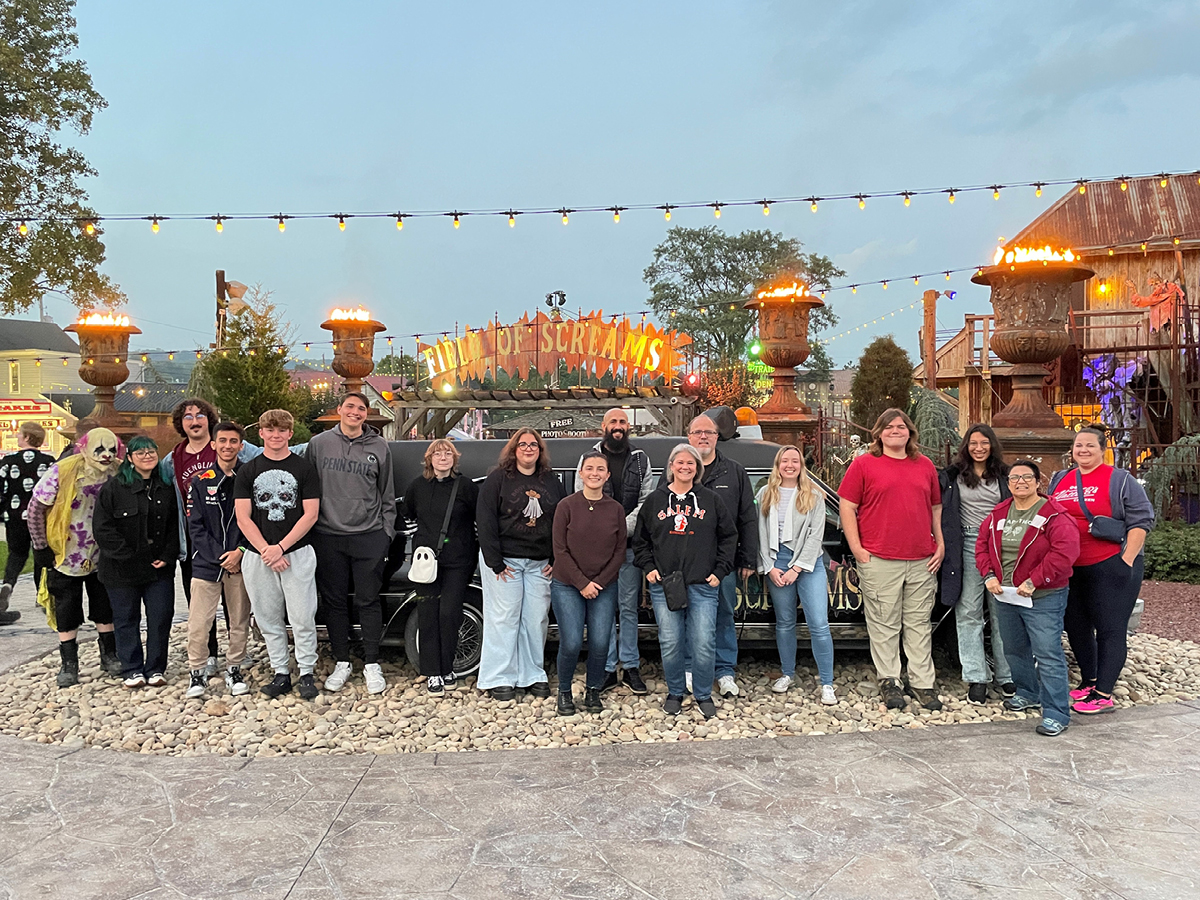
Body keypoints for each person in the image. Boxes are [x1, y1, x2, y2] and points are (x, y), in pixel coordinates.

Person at [838, 409, 945, 712]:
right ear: (879, 433)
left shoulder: (924, 466)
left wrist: (940, 543)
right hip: (880, 558)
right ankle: (890, 681)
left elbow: (935, 508)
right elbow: (847, 507)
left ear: (910, 432)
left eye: (901, 427)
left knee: (918, 624)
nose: (895, 431)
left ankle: (923, 683)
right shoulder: (864, 465)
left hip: (922, 558)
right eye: (889, 427)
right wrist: (858, 549)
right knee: (884, 625)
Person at [1049, 427, 1154, 715]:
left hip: (1111, 563)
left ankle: (1103, 693)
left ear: (1102, 449)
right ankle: (1090, 679)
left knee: (1110, 628)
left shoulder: (1120, 480)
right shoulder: (1061, 479)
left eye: (1089, 446)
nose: (1083, 450)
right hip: (1071, 566)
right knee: (1077, 625)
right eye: (1078, 446)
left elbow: (1141, 520)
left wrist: (1127, 560)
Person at [977, 460, 1080, 736]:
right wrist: (988, 575)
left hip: (1043, 596)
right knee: (1013, 648)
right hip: (1007, 595)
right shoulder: (998, 514)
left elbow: (1064, 553)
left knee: (1047, 653)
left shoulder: (1054, 515)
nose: (1020, 482)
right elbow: (982, 546)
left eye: (1026, 477)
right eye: (1014, 478)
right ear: (1008, 484)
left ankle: (1057, 713)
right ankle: (1027, 692)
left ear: (1038, 482)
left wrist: (1034, 581)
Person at [161, 397, 262, 676]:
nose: (194, 420)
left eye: (200, 414)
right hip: (197, 545)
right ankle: (209, 656)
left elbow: (271, 451)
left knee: (236, 608)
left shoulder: (233, 445)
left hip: (238, 544)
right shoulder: (173, 459)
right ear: (181, 424)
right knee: (201, 611)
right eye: (188, 416)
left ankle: (236, 659)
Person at [635, 443, 737, 719]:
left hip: (703, 583)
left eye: (690, 463)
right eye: (679, 462)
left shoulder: (711, 500)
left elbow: (729, 536)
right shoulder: (655, 501)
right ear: (671, 467)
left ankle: (703, 693)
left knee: (703, 641)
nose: (685, 467)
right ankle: (676, 691)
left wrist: (721, 569)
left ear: (698, 468)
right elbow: (641, 540)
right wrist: (648, 567)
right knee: (670, 641)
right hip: (665, 585)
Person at [307, 392, 396, 695]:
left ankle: (372, 662)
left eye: (361, 408)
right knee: (335, 601)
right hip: (328, 535)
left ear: (366, 415)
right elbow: (307, 487)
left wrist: (386, 532)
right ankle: (342, 660)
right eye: (350, 407)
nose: (355, 412)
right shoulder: (319, 445)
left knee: (368, 600)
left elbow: (386, 493)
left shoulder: (379, 447)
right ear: (339, 410)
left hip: (369, 535)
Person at [234, 409, 322, 700]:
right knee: (268, 618)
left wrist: (281, 547)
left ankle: (307, 671)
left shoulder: (304, 469)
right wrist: (266, 550)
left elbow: (310, 514)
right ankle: (280, 671)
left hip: (296, 552)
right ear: (261, 433)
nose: (275, 435)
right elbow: (243, 517)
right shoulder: (247, 470)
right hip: (259, 555)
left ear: (289, 433)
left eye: (281, 430)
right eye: (270, 430)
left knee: (302, 616)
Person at [27, 428, 123, 686]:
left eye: (111, 450)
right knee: (66, 605)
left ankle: (109, 654)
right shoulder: (63, 470)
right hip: (65, 551)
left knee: (104, 604)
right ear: (85, 447)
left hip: (103, 552)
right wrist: (40, 546)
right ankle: (69, 663)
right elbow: (35, 507)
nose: (106, 455)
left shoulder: (118, 470)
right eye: (100, 449)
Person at [475, 428, 563, 701]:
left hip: (540, 564)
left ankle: (532, 674)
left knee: (536, 619)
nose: (528, 449)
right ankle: (499, 677)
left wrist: (555, 558)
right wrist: (495, 562)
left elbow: (561, 519)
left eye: (533, 444)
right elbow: (485, 519)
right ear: (513, 450)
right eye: (522, 444)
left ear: (540, 450)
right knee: (504, 618)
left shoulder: (551, 480)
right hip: (505, 561)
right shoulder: (498, 479)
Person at [573, 408, 655, 696]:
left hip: (630, 548)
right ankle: (607, 667)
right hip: (598, 552)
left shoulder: (641, 460)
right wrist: (609, 531)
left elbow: (646, 501)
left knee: (629, 609)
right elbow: (580, 500)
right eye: (613, 422)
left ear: (628, 426)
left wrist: (622, 527)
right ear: (603, 426)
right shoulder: (587, 459)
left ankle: (631, 666)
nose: (618, 426)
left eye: (622, 422)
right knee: (603, 610)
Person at [93, 435, 179, 688]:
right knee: (126, 618)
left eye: (151, 452)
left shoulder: (165, 487)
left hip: (158, 568)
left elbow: (175, 527)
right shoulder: (113, 489)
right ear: (129, 458)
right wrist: (129, 556)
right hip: (121, 568)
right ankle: (131, 668)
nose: (147, 457)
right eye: (140, 453)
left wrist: (167, 556)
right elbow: (103, 529)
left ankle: (155, 668)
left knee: (160, 616)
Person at [682, 413, 758, 699]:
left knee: (724, 614)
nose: (703, 436)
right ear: (688, 437)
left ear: (717, 437)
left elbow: (747, 517)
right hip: (687, 561)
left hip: (724, 562)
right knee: (689, 614)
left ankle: (725, 671)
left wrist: (748, 559)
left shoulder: (734, 471)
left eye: (709, 432)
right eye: (697, 432)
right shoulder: (681, 471)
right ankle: (690, 668)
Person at [938, 424, 1014, 704]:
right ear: (966, 447)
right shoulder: (952, 476)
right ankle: (976, 677)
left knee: (1002, 612)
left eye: (984, 443)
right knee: (968, 612)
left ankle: (1007, 675)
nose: (978, 448)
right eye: (973, 443)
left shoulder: (1006, 475)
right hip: (966, 543)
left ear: (992, 445)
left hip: (1001, 545)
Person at [755, 445, 836, 705]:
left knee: (819, 625)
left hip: (808, 564)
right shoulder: (766, 493)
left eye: (795, 461)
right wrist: (769, 566)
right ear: (778, 465)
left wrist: (797, 568)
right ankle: (787, 674)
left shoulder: (813, 495)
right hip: (776, 562)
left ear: (802, 465)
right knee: (785, 623)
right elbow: (760, 533)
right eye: (784, 461)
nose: (790, 465)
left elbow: (815, 536)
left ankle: (827, 683)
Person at [403, 438, 479, 695]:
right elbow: (408, 515)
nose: (443, 457)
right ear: (430, 459)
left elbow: (478, 519)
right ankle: (432, 671)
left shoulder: (466, 487)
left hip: (458, 560)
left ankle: (447, 667)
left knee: (449, 614)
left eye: (448, 453)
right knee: (427, 614)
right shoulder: (417, 486)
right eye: (438, 453)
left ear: (454, 459)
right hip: (426, 561)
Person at [554, 451, 627, 715]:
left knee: (599, 643)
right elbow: (559, 550)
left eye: (600, 469)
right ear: (581, 473)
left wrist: (598, 582)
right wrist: (582, 583)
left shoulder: (616, 509)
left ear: (607, 476)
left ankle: (593, 690)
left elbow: (620, 551)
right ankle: (564, 692)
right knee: (572, 642)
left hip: (604, 586)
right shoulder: (566, 506)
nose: (594, 473)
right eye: (589, 468)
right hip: (567, 584)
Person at [185, 422, 252, 699]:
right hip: (206, 564)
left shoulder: (247, 479)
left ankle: (234, 668)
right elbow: (195, 527)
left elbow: (255, 522)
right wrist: (219, 556)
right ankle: (197, 673)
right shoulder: (201, 482)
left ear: (240, 446)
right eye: (222, 440)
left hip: (240, 562)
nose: (227, 446)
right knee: (199, 623)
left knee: (239, 620)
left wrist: (240, 552)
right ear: (213, 444)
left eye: (233, 441)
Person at [0, 422, 56, 625]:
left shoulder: (8, 462)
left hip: (14, 517)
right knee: (41, 555)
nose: (17, 436)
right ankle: (41, 597)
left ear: (27, 437)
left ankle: (7, 585)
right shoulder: (49, 462)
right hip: (40, 516)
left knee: (17, 554)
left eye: (19, 434)